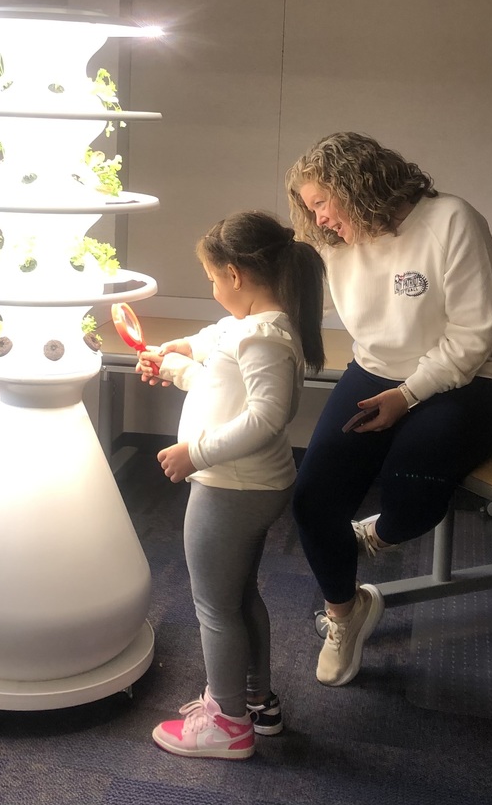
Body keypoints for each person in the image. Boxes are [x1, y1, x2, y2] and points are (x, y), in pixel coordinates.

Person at [285, 132, 492, 688]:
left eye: (320, 202)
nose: (316, 218)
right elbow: (259, 276)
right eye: (308, 206)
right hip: (374, 372)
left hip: (468, 380)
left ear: (355, 184)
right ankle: (347, 612)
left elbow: (472, 336)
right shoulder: (334, 240)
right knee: (313, 500)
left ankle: (380, 534)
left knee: (407, 484)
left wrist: (407, 396)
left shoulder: (451, 221)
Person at [136, 210, 325, 760]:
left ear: (236, 275)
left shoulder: (262, 336)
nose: (211, 286)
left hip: (232, 489)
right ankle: (257, 702)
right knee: (239, 597)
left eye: (211, 277)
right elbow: (214, 370)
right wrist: (172, 361)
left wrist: (195, 453)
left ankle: (227, 723)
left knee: (214, 607)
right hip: (244, 486)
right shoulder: (251, 325)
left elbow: (266, 418)